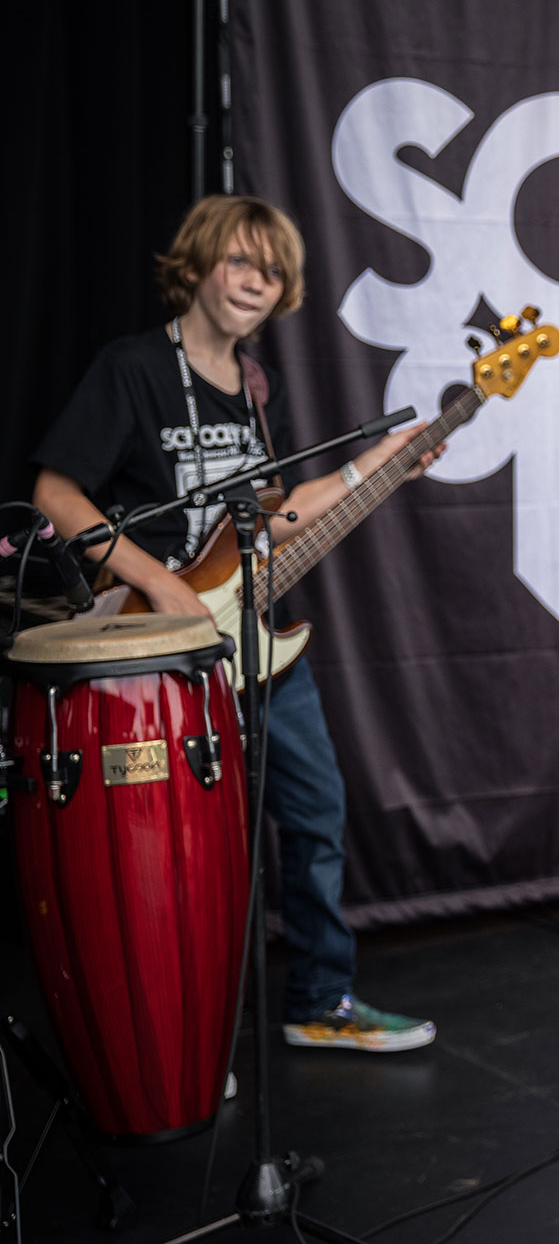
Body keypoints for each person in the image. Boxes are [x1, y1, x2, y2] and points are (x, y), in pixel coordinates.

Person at [33, 194, 442, 1053]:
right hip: (163, 643)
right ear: (199, 263)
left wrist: (382, 471)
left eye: (273, 270)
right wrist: (162, 585)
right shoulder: (133, 367)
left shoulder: (257, 386)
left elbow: (278, 514)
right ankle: (179, 1028)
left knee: (317, 814)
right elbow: (56, 496)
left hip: (259, 639)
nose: (257, 282)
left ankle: (319, 1002)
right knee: (184, 850)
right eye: (241, 262)